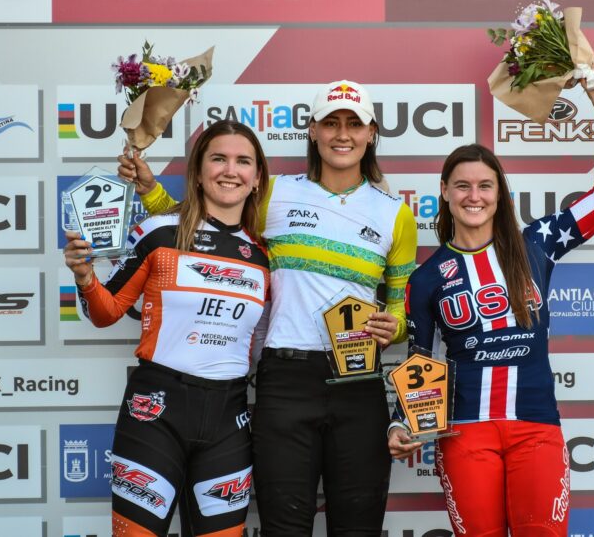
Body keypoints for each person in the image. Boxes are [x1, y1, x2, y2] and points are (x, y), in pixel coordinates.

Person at [120, 80, 418, 536]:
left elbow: (399, 316)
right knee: (283, 529)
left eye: (354, 124)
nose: (342, 134)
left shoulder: (395, 213)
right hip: (285, 381)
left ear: (371, 133)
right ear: (312, 130)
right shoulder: (275, 192)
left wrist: (390, 328)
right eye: (331, 123)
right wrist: (150, 193)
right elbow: (203, 229)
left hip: (358, 383)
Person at [387, 69, 594, 537]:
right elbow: (420, 362)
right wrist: (400, 424)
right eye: (462, 185)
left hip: (536, 426)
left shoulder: (535, 245)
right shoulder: (427, 277)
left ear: (500, 194)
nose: (473, 196)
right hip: (465, 431)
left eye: (485, 185)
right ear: (444, 191)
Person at [64, 119, 271, 537]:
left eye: (243, 162)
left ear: (256, 180)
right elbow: (107, 312)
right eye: (218, 159)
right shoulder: (158, 232)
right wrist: (85, 278)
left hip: (228, 419)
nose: (230, 170)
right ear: (198, 171)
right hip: (155, 411)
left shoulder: (263, 256)